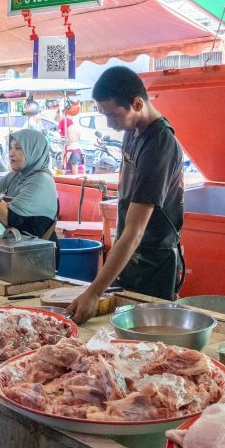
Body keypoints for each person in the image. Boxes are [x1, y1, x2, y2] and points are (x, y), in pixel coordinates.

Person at [67, 67, 184, 324]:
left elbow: (135, 231)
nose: (110, 124)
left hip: (154, 264)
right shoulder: (133, 131)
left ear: (137, 103)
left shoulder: (160, 146)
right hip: (131, 258)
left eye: (113, 115)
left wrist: (94, 293)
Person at [0, 129, 59, 240]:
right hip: (15, 244)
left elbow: (9, 218)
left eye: (18, 148)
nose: (11, 153)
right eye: (10, 148)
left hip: (38, 252)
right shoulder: (15, 176)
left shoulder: (41, 180)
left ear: (34, 151)